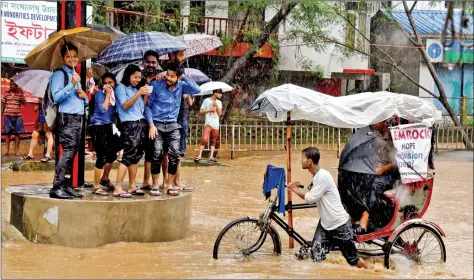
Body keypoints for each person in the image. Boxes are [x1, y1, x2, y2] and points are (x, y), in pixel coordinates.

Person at [287, 147, 368, 269]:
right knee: (315, 255)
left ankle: (374, 273)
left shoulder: (323, 176)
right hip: (325, 225)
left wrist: (295, 189)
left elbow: (311, 199)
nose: (300, 161)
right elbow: (312, 192)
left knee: (354, 260)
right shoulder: (317, 176)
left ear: (309, 161)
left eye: (302, 158)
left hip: (339, 225)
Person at [145, 62, 200, 196]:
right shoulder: (156, 85)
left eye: (172, 76)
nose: (168, 78)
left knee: (174, 156)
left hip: (173, 125)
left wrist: (184, 78)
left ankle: (169, 186)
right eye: (168, 75)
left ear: (178, 77)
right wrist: (151, 125)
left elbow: (197, 89)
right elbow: (148, 106)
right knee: (156, 154)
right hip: (157, 124)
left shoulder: (181, 86)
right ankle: (154, 185)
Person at [49, 43, 88, 199]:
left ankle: (66, 185)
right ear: (62, 58)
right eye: (68, 56)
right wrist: (71, 84)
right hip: (66, 117)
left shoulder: (75, 75)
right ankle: (57, 186)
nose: (72, 59)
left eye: (74, 56)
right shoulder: (59, 75)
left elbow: (78, 99)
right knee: (68, 152)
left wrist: (84, 97)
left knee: (73, 152)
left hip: (78, 117)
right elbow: (56, 97)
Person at [354, 120, 399, 235]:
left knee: (372, 187)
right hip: (372, 170)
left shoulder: (397, 136)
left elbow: (397, 162)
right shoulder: (372, 132)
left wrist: (383, 169)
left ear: (386, 120)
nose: (374, 122)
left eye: (378, 119)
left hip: (387, 174)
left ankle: (365, 220)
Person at [113, 64, 149, 198]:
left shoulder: (136, 90)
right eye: (135, 77)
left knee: (136, 157)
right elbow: (125, 105)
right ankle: (118, 187)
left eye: (139, 78)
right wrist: (139, 93)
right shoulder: (121, 88)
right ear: (128, 76)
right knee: (128, 156)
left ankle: (132, 186)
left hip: (140, 123)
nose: (137, 80)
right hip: (129, 124)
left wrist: (145, 95)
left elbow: (141, 109)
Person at [88, 72, 120, 196]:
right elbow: (103, 109)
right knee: (101, 155)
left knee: (112, 153)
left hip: (109, 126)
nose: (108, 85)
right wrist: (107, 95)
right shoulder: (99, 95)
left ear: (115, 83)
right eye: (105, 83)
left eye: (110, 83)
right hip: (97, 126)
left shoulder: (115, 96)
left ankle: (105, 178)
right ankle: (96, 186)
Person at [140, 50, 162, 191]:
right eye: (148, 62)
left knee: (154, 152)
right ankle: (137, 183)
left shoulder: (161, 79)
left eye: (153, 62)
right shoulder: (137, 78)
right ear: (143, 63)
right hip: (138, 120)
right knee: (135, 152)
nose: (150, 65)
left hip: (156, 121)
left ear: (157, 64)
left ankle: (148, 181)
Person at [195, 89, 223, 163]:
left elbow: (220, 114)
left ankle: (211, 156)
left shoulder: (219, 102)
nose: (221, 95)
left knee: (213, 140)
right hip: (208, 123)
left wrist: (217, 107)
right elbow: (201, 111)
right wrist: (209, 110)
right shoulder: (206, 100)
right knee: (204, 139)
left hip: (216, 124)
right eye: (220, 93)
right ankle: (199, 155)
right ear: (215, 93)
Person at [23, 97, 53, 162]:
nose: (38, 98)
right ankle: (30, 154)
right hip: (40, 121)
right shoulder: (40, 103)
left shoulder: (49, 100)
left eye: (39, 97)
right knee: (34, 134)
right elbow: (38, 109)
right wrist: (37, 108)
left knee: (49, 135)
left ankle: (48, 155)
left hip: (47, 120)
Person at [2, 80, 26, 156]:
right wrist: (1, 113)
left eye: (12, 85)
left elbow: (24, 103)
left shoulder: (19, 94)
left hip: (18, 116)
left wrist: (22, 94)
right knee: (7, 134)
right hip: (8, 116)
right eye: (10, 85)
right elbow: (3, 104)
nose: (10, 86)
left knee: (17, 134)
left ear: (16, 86)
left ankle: (17, 151)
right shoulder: (6, 93)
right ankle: (6, 151)